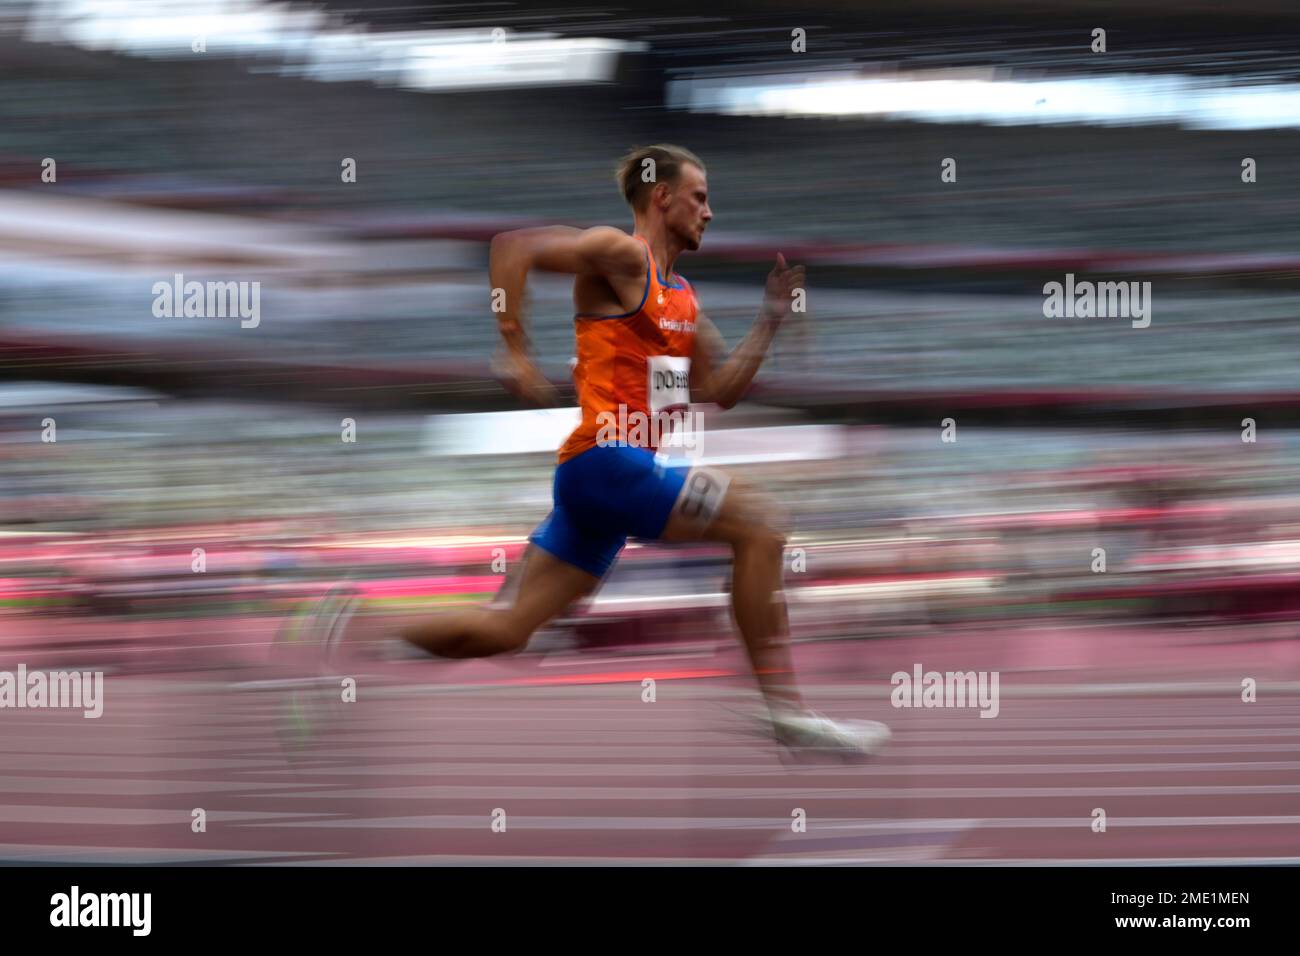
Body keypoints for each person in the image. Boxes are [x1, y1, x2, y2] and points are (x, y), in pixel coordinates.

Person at [311, 144, 890, 757]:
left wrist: (769, 318)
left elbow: (720, 391)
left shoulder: (683, 302)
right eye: (699, 196)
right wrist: (513, 343)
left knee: (508, 630)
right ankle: (785, 713)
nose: (710, 212)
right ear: (661, 197)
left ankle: (355, 626)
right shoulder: (623, 255)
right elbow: (513, 247)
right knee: (762, 525)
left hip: (604, 486)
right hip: (610, 461)